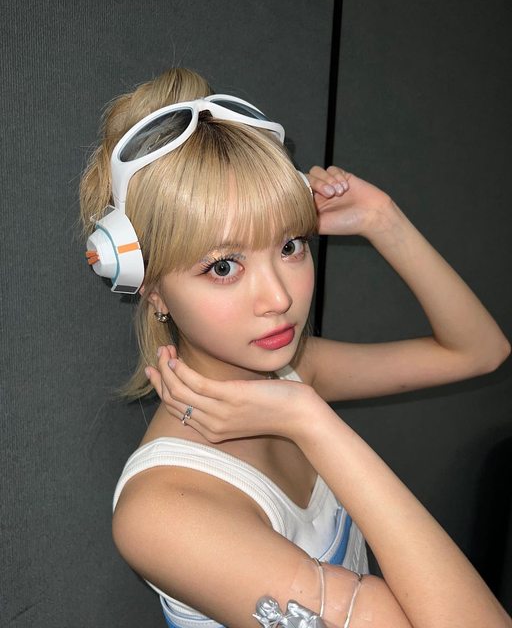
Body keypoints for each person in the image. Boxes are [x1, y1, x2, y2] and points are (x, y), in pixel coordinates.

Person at [80, 67, 511, 628]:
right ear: (152, 288)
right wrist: (311, 420)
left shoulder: (293, 375)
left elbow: (480, 351)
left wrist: (384, 220)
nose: (279, 297)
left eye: (290, 246)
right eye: (223, 266)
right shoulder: (163, 511)